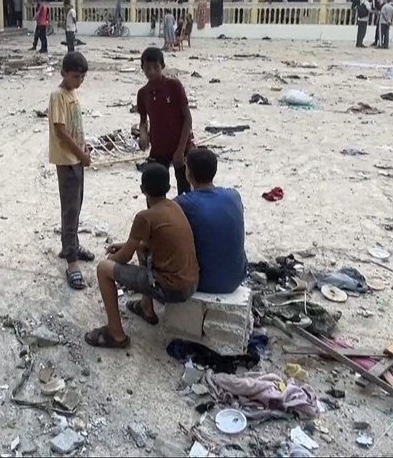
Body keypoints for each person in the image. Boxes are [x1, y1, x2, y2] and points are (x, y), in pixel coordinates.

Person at [85, 163, 199, 348]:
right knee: (141, 248)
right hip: (191, 282)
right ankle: (147, 307)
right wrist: (129, 245)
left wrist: (111, 261)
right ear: (168, 188)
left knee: (103, 269)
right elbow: (152, 242)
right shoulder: (175, 206)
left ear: (142, 189)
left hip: (170, 288)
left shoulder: (145, 217)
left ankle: (116, 334)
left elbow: (123, 258)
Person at [49, 52, 93, 291]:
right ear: (63, 73)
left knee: (77, 204)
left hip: (77, 158)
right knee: (70, 208)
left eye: (83, 77)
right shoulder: (58, 96)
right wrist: (80, 153)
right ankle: (72, 261)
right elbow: (62, 132)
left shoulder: (73, 93)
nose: (79, 81)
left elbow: (76, 128)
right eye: (76, 76)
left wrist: (85, 149)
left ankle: (71, 245)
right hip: (67, 161)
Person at [175, 149, 247, 294]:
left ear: (189, 174)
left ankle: (147, 304)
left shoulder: (183, 203)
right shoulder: (233, 195)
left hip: (205, 282)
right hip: (237, 277)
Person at [137, 47, 194, 195]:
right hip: (159, 147)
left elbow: (187, 118)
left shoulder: (173, 86)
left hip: (180, 143)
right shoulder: (143, 93)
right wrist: (143, 134)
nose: (152, 72)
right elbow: (143, 119)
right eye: (147, 68)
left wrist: (180, 150)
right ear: (142, 68)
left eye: (156, 67)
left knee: (185, 190)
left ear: (162, 66)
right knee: (154, 190)